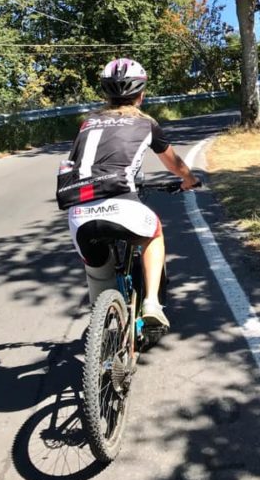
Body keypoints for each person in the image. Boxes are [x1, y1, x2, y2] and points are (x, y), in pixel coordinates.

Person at [56, 58, 199, 328]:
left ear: (105, 94)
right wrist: (189, 180)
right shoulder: (146, 124)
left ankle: (103, 325)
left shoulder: (87, 124)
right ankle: (152, 305)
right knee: (154, 232)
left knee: (98, 272)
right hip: (123, 207)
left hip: (79, 214)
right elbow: (173, 164)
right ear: (141, 94)